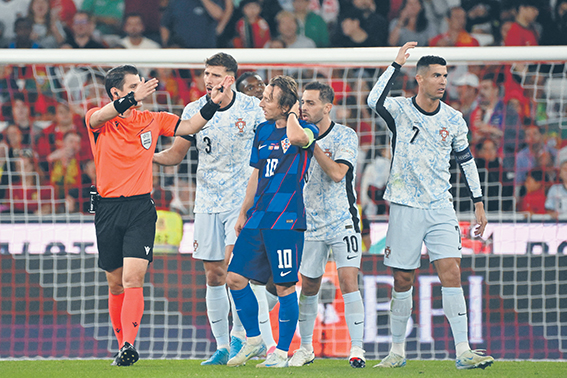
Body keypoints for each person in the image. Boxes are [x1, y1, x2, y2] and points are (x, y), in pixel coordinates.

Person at [85, 64, 228, 366]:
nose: (142, 89)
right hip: (107, 209)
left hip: (139, 208)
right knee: (115, 283)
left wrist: (212, 103)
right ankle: (120, 341)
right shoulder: (99, 120)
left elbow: (189, 126)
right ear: (116, 92)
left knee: (133, 278)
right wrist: (131, 99)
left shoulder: (152, 120)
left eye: (141, 85)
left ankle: (128, 345)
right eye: (134, 86)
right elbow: (99, 116)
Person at [367, 42, 494, 370]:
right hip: (405, 206)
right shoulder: (399, 110)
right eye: (436, 75)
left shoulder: (454, 119)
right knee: (403, 281)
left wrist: (478, 202)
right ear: (420, 79)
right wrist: (396, 63)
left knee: (451, 271)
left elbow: (466, 161)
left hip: (441, 206)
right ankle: (397, 351)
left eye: (445, 75)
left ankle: (463, 351)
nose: (442, 81)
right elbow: (372, 100)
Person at [153, 53, 264, 366]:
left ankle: (244, 338)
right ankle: (223, 346)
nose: (209, 80)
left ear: (229, 78)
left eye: (215, 75)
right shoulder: (194, 110)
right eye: (206, 73)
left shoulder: (252, 108)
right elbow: (176, 154)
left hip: (242, 201)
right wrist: (146, 157)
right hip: (207, 201)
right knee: (213, 274)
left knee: (235, 271)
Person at [226, 75, 318, 368]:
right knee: (234, 278)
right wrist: (243, 211)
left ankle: (280, 351)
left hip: (286, 220)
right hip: (258, 217)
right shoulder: (262, 131)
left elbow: (297, 139)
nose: (261, 101)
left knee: (284, 287)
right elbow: (256, 173)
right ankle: (253, 339)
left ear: (286, 106)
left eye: (268, 97)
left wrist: (293, 114)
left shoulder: (307, 128)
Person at [287, 81, 365, 368]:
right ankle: (306, 348)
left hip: (342, 220)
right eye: (302, 103)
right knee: (308, 286)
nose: (304, 108)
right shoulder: (296, 136)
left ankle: (357, 348)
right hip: (309, 223)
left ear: (327, 107)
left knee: (348, 281)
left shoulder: (346, 135)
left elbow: (336, 173)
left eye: (310, 103)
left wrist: (313, 145)